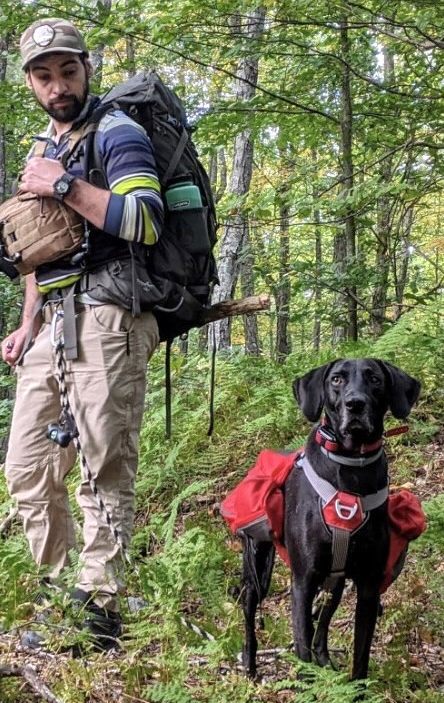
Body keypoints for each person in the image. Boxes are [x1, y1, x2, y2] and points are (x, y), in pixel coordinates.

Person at [1, 17, 163, 650]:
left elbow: (144, 221)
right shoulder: (43, 146)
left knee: (101, 467)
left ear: (86, 69)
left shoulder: (117, 133)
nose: (57, 85)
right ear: (30, 83)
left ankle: (100, 608)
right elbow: (42, 251)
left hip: (113, 318)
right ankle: (57, 592)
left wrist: (63, 184)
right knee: (28, 469)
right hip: (55, 324)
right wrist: (26, 324)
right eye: (44, 75)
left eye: (68, 71)